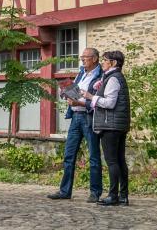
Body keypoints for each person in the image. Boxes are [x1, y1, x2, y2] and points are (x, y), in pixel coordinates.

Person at [47, 48, 103, 203]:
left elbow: (98, 100)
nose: (82, 60)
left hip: (89, 117)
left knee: (94, 156)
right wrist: (66, 92)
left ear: (95, 59)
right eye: (82, 57)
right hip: (75, 117)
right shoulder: (81, 73)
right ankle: (65, 191)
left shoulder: (101, 76)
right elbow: (75, 91)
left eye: (85, 57)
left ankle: (95, 192)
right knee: (69, 155)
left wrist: (79, 101)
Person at [82, 50, 131, 206]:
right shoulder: (112, 78)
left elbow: (109, 103)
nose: (102, 62)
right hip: (118, 125)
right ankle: (123, 196)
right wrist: (100, 86)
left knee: (112, 161)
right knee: (120, 160)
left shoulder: (114, 79)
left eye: (105, 60)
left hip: (110, 125)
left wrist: (91, 97)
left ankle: (113, 196)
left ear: (114, 63)